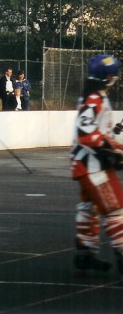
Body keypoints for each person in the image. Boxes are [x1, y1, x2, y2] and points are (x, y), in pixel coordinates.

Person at [70, 54, 123, 275]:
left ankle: (85, 254)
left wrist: (117, 148)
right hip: (93, 166)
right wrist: (109, 150)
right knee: (115, 209)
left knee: (89, 208)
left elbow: (96, 132)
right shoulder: (95, 99)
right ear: (109, 77)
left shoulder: (92, 96)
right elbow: (85, 132)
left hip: (84, 164)